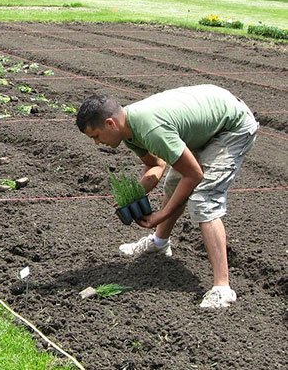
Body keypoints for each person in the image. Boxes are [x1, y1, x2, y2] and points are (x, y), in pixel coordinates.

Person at [76, 84, 259, 309]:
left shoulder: (150, 129)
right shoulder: (128, 130)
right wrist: (134, 195)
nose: (96, 143)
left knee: (204, 199)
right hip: (210, 120)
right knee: (174, 183)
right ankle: (159, 243)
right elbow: (156, 165)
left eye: (96, 136)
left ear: (110, 123)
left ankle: (222, 288)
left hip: (232, 126)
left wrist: (161, 214)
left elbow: (193, 175)